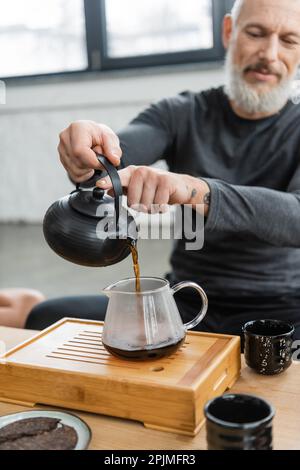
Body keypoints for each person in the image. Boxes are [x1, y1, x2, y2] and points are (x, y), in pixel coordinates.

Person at [26, 0, 300, 338]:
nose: (270, 54)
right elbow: (112, 161)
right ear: (229, 32)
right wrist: (90, 152)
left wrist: (196, 189)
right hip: (184, 301)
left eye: (289, 40)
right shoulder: (181, 113)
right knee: (45, 319)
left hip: (287, 308)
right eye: (256, 33)